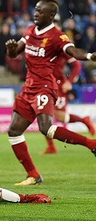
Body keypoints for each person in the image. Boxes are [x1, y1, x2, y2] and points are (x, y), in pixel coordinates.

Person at [5, 0, 96, 186]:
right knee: (14, 131)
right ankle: (33, 175)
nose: (35, 14)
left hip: (45, 87)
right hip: (28, 88)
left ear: (51, 15)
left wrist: (88, 56)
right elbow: (14, 54)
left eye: (40, 11)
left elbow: (72, 51)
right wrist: (11, 50)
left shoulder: (56, 36)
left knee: (46, 128)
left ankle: (91, 144)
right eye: (36, 10)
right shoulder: (30, 31)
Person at [42, 17, 95, 154]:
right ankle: (51, 146)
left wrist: (69, 82)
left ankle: (84, 121)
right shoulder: (44, 42)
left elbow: (76, 65)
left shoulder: (63, 44)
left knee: (57, 116)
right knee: (45, 114)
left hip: (58, 84)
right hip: (44, 83)